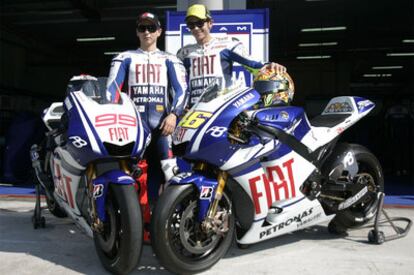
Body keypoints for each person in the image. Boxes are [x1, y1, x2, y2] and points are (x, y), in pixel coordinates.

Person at [106, 12, 188, 195]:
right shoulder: (125, 57)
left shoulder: (170, 59)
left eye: (151, 28)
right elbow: (111, 90)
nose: (147, 32)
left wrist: (174, 115)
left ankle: (175, 219)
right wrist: (117, 117)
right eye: (142, 28)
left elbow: (182, 90)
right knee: (132, 174)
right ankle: (132, 219)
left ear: (159, 31)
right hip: (135, 126)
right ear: (137, 32)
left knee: (171, 173)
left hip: (163, 126)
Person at [177, 4, 287, 107]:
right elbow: (179, 84)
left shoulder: (227, 44)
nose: (196, 28)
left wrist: (269, 66)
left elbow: (252, 64)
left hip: (220, 107)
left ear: (210, 23)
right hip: (194, 109)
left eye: (200, 23)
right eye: (191, 25)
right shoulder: (184, 53)